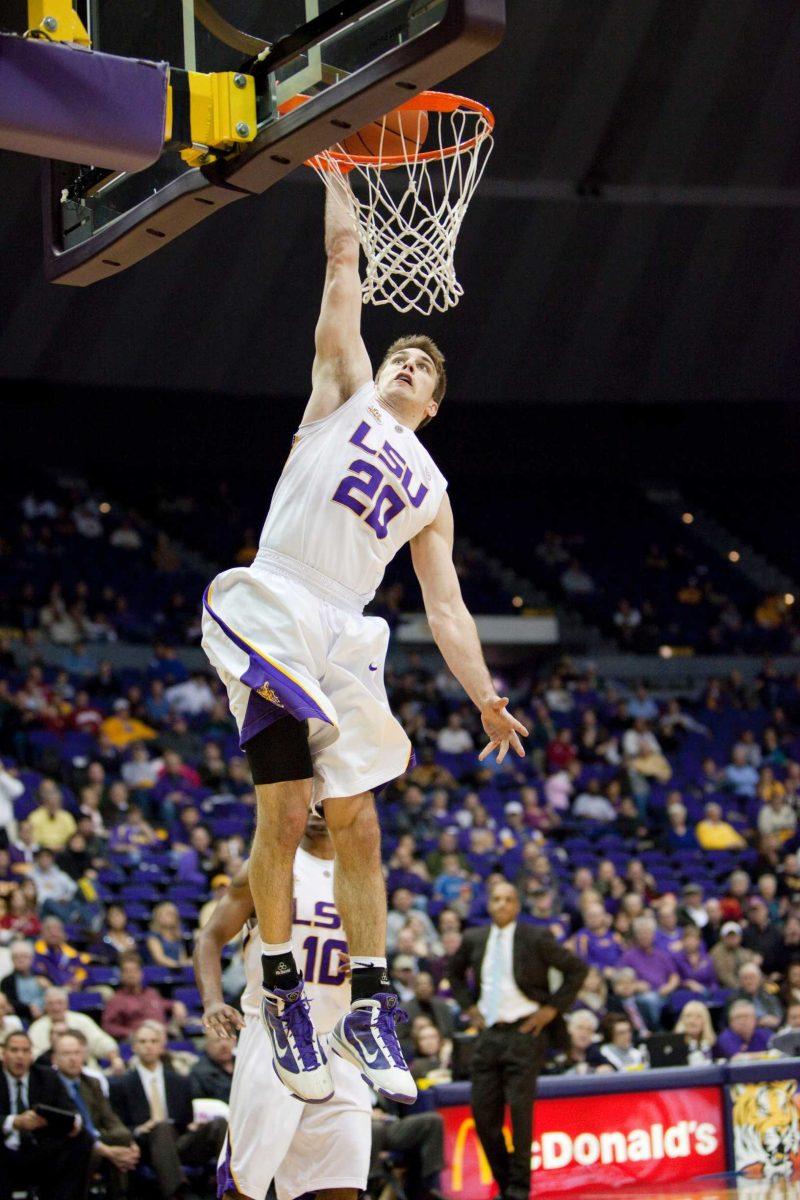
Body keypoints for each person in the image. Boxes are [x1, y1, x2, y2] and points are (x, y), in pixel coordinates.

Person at [199, 182, 528, 1104]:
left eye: (424, 364)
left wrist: (483, 695)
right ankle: (282, 991)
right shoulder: (341, 392)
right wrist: (337, 172)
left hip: (346, 627)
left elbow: (448, 605)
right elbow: (344, 267)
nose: (408, 362)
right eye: (401, 354)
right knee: (285, 806)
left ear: (435, 401)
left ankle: (369, 1005)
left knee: (360, 820)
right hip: (278, 595)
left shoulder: (432, 486)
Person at [194, 810, 372, 1200]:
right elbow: (209, 938)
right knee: (247, 1184)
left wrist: (361, 966)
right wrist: (212, 1001)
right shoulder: (267, 864)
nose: (317, 811)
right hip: (274, 1032)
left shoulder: (362, 872)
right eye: (308, 801)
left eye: (327, 802)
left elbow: (373, 962)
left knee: (342, 1180)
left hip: (340, 1040)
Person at [448, 880, 587, 1200]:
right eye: (496, 899)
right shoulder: (474, 938)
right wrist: (470, 1008)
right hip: (489, 1035)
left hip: (525, 1033)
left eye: (508, 899)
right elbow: (454, 974)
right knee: (483, 1118)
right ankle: (506, 1181)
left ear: (517, 905)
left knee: (521, 1114)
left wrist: (551, 1010)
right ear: (489, 904)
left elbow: (576, 969)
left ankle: (519, 1191)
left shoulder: (535, 937)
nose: (501, 905)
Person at [109, 1021, 226, 1200]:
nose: (148, 1046)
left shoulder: (180, 1082)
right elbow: (117, 1125)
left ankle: (230, 1187)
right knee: (161, 1127)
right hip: (145, 1146)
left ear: (162, 1046)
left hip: (179, 1141)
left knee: (219, 1123)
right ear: (133, 1047)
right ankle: (179, 1193)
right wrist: (139, 1129)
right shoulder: (121, 1085)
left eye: (153, 1041)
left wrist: (192, 1127)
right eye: (143, 1041)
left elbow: (186, 1121)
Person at [0, 1029, 94, 1200]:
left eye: (25, 1051)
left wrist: (73, 1123)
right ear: (3, 1053)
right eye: (14, 1050)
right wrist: (14, 1122)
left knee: (83, 1138)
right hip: (6, 1149)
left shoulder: (47, 1076)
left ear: (31, 1054)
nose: (19, 1056)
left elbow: (70, 1110)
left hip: (41, 1148)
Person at [51, 1029, 140, 1199]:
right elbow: (64, 1129)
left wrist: (130, 1141)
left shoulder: (92, 1082)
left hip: (97, 1138)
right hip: (69, 1144)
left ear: (84, 1055)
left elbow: (110, 1118)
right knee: (87, 1150)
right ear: (55, 1058)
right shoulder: (50, 1084)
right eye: (66, 1054)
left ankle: (120, 1196)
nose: (72, 1058)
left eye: (77, 1053)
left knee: (121, 1138)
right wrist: (105, 1150)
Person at [28, 986, 124, 1071]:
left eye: (59, 1003)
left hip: (87, 1070)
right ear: (45, 1006)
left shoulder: (82, 1020)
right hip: (49, 1074)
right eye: (51, 1004)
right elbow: (34, 1055)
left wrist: (114, 1058)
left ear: (67, 1004)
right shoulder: (36, 1028)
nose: (55, 1008)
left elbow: (100, 1041)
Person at [102, 953, 187, 1042]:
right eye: (127, 971)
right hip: (141, 1042)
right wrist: (132, 1033)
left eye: (135, 971)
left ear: (141, 973)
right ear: (121, 975)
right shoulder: (116, 1000)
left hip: (165, 1038)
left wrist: (176, 1004)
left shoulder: (151, 993)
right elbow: (108, 1026)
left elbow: (161, 1003)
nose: (132, 975)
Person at [0, 939, 46, 1021]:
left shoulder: (43, 976)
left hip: (45, 1015)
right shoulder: (7, 981)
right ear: (12, 960)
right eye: (16, 957)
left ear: (31, 958)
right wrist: (29, 1007)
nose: (20, 960)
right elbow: (10, 1003)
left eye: (24, 956)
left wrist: (48, 987)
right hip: (20, 1018)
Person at [188, 1030, 235, 1103]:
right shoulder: (198, 1073)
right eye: (217, 1041)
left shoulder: (244, 1064)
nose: (224, 1045)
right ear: (207, 1045)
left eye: (227, 1039)